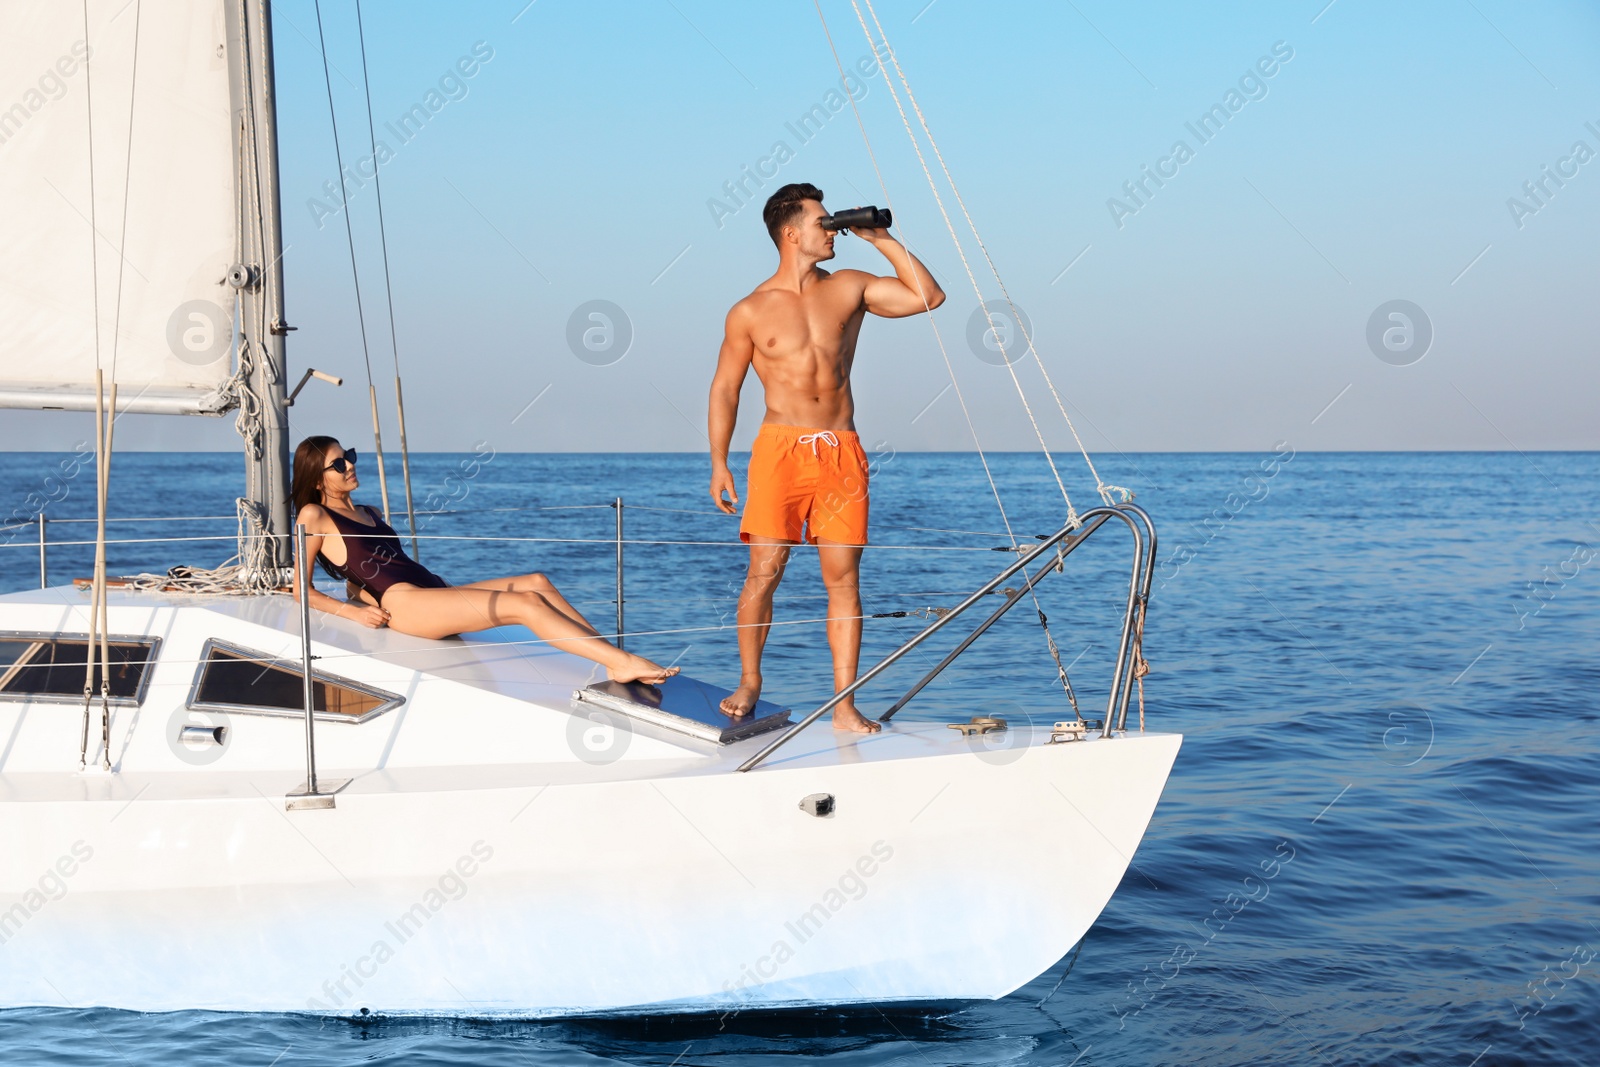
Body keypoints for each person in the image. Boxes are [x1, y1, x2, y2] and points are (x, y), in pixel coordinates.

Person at [707, 183, 944, 732]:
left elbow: (928, 297)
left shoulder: (849, 288)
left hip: (841, 450)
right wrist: (719, 461)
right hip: (779, 449)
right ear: (791, 234)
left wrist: (881, 238)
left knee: (843, 581)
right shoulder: (749, 310)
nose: (832, 229)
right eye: (822, 221)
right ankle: (750, 680)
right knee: (764, 572)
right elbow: (725, 389)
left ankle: (844, 704)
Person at [290, 435, 678, 685]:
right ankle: (624, 661)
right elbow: (300, 591)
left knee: (537, 582)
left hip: (430, 588)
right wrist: (356, 613)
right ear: (318, 478)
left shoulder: (370, 511)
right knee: (524, 605)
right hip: (406, 603)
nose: (351, 465)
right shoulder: (314, 515)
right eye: (339, 464)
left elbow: (363, 567)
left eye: (350, 456)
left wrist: (357, 592)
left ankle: (611, 660)